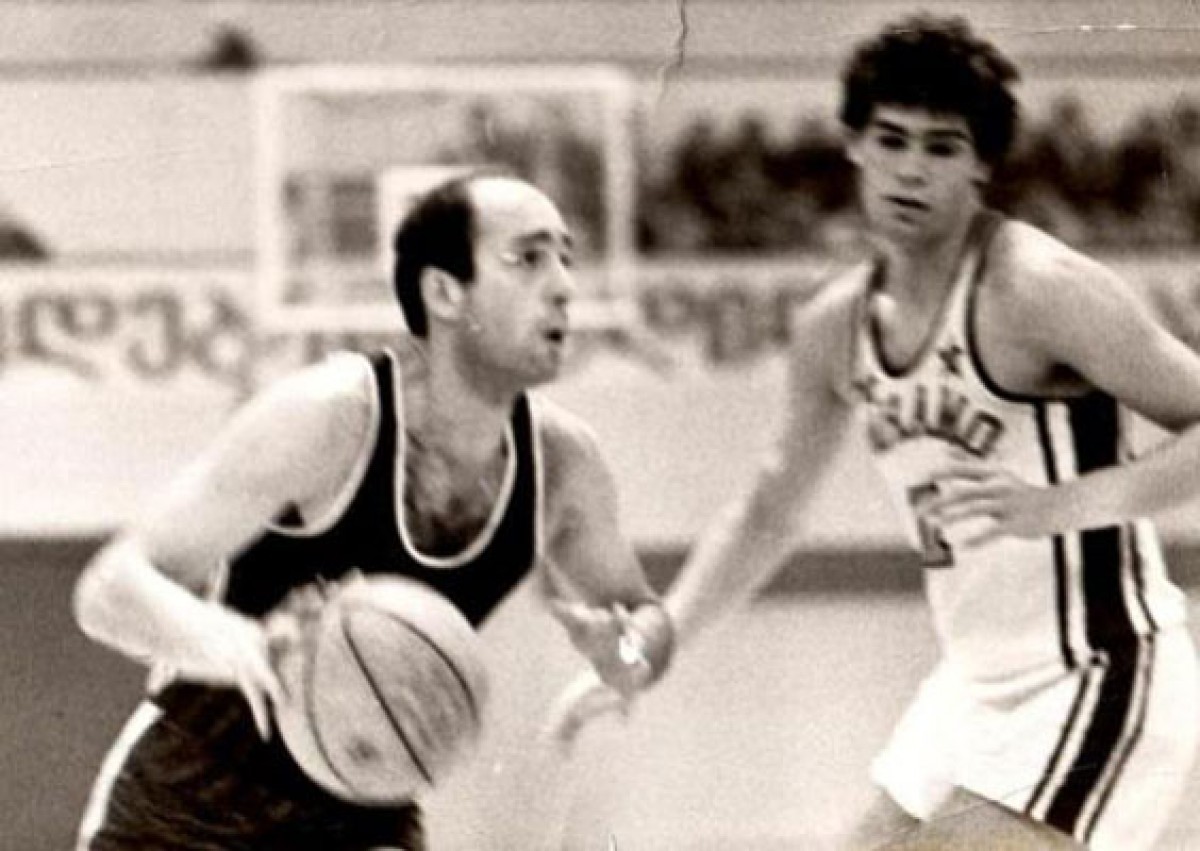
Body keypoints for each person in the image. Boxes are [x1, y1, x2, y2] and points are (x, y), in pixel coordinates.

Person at [550, 15, 1200, 851]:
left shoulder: (1037, 288)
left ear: (981, 164)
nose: (911, 169)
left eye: (941, 147)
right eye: (891, 140)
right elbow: (769, 511)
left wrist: (1064, 505)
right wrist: (659, 637)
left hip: (1100, 673)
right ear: (854, 145)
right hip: (972, 686)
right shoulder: (836, 326)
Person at [71, 171, 674, 850]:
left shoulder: (564, 464)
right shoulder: (329, 417)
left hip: (362, 806)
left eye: (566, 258)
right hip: (193, 796)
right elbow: (109, 588)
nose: (563, 285)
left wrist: (629, 653)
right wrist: (234, 643)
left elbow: (643, 611)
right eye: (528, 258)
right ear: (444, 292)